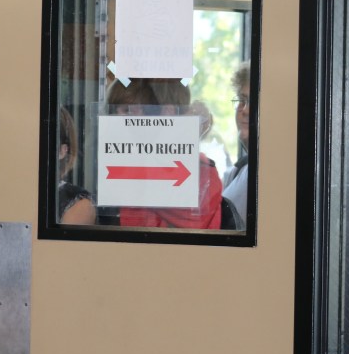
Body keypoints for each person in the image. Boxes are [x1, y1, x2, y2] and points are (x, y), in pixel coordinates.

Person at [106, 78, 223, 229]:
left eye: (130, 111)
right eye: (113, 112)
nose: (119, 120)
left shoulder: (202, 173)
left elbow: (194, 220)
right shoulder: (117, 162)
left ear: (168, 113)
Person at [222, 61, 250, 221]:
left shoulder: (285, 173)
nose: (245, 110)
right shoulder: (236, 171)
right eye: (242, 100)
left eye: (254, 101)